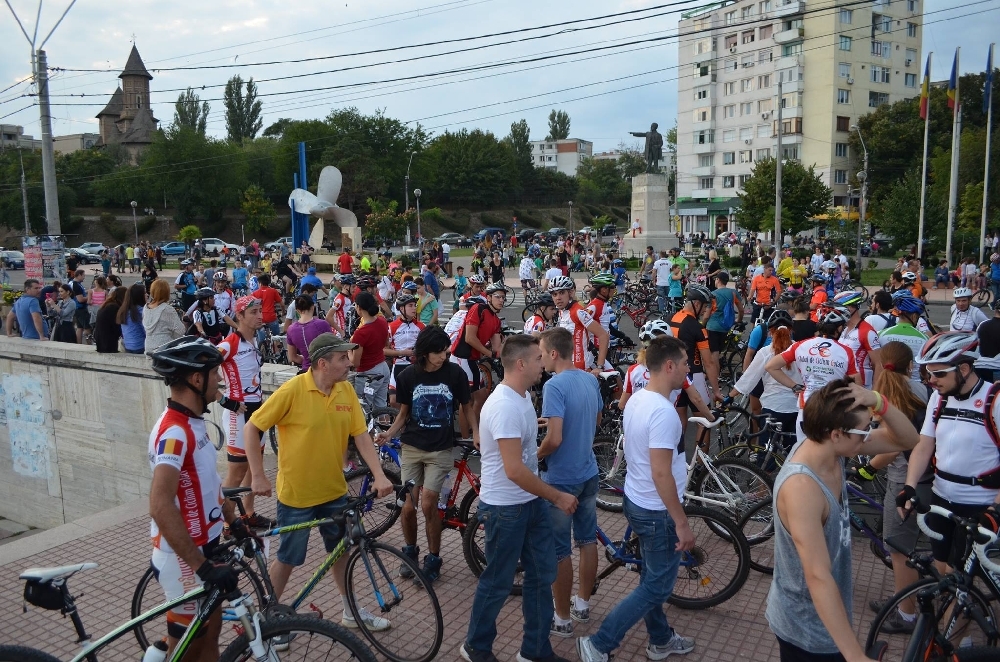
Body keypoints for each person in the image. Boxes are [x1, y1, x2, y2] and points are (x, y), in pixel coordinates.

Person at [244, 333, 394, 634]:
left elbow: (361, 436)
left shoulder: (345, 391)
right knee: (288, 558)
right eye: (342, 358)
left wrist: (378, 474)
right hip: (297, 496)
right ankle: (267, 620)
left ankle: (350, 609)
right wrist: (258, 475)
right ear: (322, 363)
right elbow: (252, 427)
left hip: (334, 492)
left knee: (341, 552)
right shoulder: (293, 390)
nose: (349, 363)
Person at [765, 378, 918, 661]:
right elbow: (817, 574)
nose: (868, 435)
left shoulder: (834, 449)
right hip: (806, 626)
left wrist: (878, 401)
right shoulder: (802, 487)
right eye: (864, 430)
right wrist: (855, 655)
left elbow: (908, 440)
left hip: (827, 615)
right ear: (836, 433)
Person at [575, 336, 697, 662]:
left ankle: (660, 640)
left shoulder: (638, 400)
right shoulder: (664, 413)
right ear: (669, 366)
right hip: (657, 511)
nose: (689, 369)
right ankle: (599, 644)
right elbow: (661, 474)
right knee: (657, 586)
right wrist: (681, 522)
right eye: (686, 363)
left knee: (650, 577)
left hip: (637, 500)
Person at [461, 334, 577, 662]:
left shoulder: (523, 398)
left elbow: (521, 453)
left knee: (542, 575)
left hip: (529, 503)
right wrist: (556, 496)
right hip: (505, 509)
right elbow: (513, 469)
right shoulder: (504, 405)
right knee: (498, 582)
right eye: (539, 359)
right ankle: (475, 647)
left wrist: (533, 426)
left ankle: (535, 650)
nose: (544, 364)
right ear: (521, 364)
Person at [146, 337, 253, 661]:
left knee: (212, 633)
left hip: (204, 545)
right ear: (196, 379)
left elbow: (209, 485)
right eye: (215, 373)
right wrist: (201, 567)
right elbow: (160, 504)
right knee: (188, 646)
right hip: (183, 557)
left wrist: (234, 523)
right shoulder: (174, 433)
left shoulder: (195, 423)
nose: (220, 379)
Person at [376, 326, 475, 582]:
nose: (444, 356)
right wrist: (390, 434)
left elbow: (468, 406)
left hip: (440, 449)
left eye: (445, 351)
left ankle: (434, 557)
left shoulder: (455, 374)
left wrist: (476, 432)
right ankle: (410, 552)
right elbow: (404, 413)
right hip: (411, 448)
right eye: (439, 352)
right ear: (424, 353)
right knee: (408, 506)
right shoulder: (409, 375)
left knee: (429, 502)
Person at [899, 332, 1000, 576]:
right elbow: (924, 446)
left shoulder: (994, 399)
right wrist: (909, 487)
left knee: (963, 581)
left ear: (964, 369)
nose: (931, 380)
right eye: (928, 374)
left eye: (939, 374)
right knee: (943, 571)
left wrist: (995, 510)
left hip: (980, 505)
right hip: (941, 499)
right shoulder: (939, 398)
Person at [852, 341, 932, 633]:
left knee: (898, 549)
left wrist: (867, 469)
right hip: (927, 473)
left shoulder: (884, 395)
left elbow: (893, 447)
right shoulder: (921, 389)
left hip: (903, 477)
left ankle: (906, 614)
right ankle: (905, 598)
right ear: (910, 365)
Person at [535, 328, 603, 637]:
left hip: (561, 479)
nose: (539, 358)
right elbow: (595, 420)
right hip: (589, 472)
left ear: (553, 353)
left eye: (540, 352)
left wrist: (535, 455)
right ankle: (583, 604)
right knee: (587, 541)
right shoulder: (589, 378)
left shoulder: (554, 385)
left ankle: (561, 619)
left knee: (560, 550)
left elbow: (555, 439)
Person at [217, 296, 272, 532]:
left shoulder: (253, 341)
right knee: (236, 473)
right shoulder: (230, 343)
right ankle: (227, 523)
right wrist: (223, 399)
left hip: (256, 411)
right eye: (253, 312)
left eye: (260, 311)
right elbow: (202, 366)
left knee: (253, 465)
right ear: (239, 316)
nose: (260, 316)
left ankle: (248, 514)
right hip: (238, 414)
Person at [766, 308, 860, 441]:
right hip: (833, 409)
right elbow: (857, 384)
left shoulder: (801, 345)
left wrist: (794, 386)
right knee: (833, 457)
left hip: (807, 409)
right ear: (839, 328)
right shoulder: (846, 351)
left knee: (805, 455)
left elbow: (771, 366)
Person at [732, 310, 800, 453]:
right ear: (791, 330)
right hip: (796, 408)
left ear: (770, 332)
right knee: (793, 454)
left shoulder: (765, 352)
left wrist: (728, 398)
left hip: (773, 409)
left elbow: (748, 379)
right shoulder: (800, 350)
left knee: (767, 456)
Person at [668, 284, 723, 432]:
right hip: (694, 375)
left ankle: (677, 454)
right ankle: (699, 456)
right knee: (704, 423)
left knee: (680, 421)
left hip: (673, 376)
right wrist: (716, 391)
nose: (706, 310)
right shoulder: (697, 328)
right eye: (705, 306)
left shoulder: (670, 318)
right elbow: (709, 363)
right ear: (696, 304)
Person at [450, 282, 506, 421]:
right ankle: (465, 437)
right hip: (461, 357)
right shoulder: (478, 309)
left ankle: (472, 429)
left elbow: (496, 348)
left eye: (503, 298)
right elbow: (470, 338)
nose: (501, 300)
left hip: (473, 359)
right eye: (498, 297)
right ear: (488, 297)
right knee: (467, 402)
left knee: (481, 397)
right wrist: (490, 354)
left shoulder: (496, 321)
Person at [548, 276, 610, 375]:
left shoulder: (578, 312)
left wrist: (599, 366)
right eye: (554, 294)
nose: (558, 297)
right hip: (566, 367)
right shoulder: (562, 312)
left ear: (571, 293)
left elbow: (603, 335)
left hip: (581, 369)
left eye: (562, 293)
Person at [877, 293, 931, 399]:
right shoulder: (924, 338)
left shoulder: (881, 334)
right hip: (914, 390)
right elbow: (924, 369)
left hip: (886, 387)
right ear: (914, 316)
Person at [350, 291, 391, 409]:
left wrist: (348, 349)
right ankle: (385, 427)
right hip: (383, 367)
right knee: (381, 406)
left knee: (363, 408)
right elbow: (386, 343)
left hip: (368, 374)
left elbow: (355, 363)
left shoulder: (360, 333)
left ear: (359, 307)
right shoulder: (382, 321)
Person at [834, 290, 883, 389]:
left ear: (850, 308)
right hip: (844, 384)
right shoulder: (845, 329)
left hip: (862, 387)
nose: (836, 312)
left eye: (838, 309)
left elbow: (878, 364)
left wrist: (876, 391)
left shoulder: (867, 331)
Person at [386, 293, 424, 404]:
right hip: (398, 366)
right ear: (402, 308)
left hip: (416, 366)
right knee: (393, 401)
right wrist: (402, 352)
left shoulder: (421, 326)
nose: (414, 308)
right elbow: (384, 349)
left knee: (414, 401)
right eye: (410, 305)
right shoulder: (392, 326)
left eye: (415, 305)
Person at [285, 294, 333, 372]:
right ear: (312, 307)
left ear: (297, 310)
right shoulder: (322, 324)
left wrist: (306, 359)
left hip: (306, 371)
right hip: (323, 370)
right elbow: (333, 348)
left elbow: (292, 357)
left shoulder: (291, 329)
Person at [144, 279, 187, 352]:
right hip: (163, 348)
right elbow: (181, 330)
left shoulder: (146, 307)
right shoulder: (167, 309)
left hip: (148, 347)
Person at [251, 273, 283, 342]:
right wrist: (283, 311)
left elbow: (251, 307)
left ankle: (262, 347)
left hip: (260, 318)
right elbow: (281, 303)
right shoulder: (273, 291)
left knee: (261, 339)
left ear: (260, 283)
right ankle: (277, 351)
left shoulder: (255, 293)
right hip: (271, 317)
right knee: (276, 337)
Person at [117, 281, 147, 354]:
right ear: (139, 296)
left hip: (128, 345)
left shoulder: (124, 310)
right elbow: (146, 330)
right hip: (140, 346)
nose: (147, 295)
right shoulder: (140, 311)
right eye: (145, 293)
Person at [94, 287, 126, 353]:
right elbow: (116, 326)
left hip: (101, 340)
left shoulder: (107, 305)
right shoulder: (114, 307)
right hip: (108, 342)